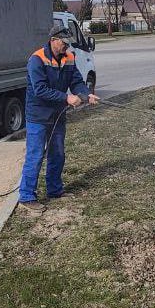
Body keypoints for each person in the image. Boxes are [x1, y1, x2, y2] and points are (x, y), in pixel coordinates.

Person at [17, 25, 98, 214]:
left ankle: (54, 190)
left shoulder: (69, 58)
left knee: (58, 153)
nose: (66, 46)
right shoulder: (37, 59)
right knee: (35, 155)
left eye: (68, 43)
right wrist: (66, 98)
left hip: (57, 114)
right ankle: (26, 197)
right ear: (53, 40)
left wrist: (86, 94)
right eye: (64, 42)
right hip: (38, 115)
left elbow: (76, 81)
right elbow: (40, 90)